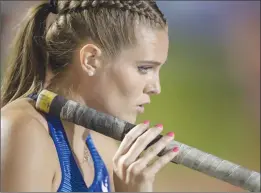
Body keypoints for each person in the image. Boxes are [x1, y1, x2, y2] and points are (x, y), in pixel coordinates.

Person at [1, 0, 179, 192]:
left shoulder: (104, 147)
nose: (156, 87)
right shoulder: (24, 131)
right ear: (90, 60)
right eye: (144, 68)